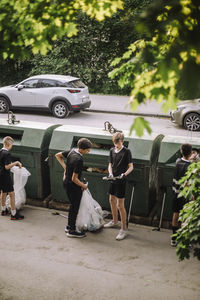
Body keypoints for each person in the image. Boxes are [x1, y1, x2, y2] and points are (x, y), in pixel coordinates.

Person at [55, 138, 92, 238]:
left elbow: (57, 155)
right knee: (74, 207)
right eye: (88, 150)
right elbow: (75, 179)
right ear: (82, 149)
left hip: (66, 183)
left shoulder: (72, 151)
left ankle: (69, 226)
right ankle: (71, 230)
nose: (89, 152)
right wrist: (84, 185)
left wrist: (65, 168)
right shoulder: (79, 159)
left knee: (72, 206)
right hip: (73, 185)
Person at [104, 132, 133, 240]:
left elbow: (131, 167)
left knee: (120, 205)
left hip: (121, 180)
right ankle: (115, 221)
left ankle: (124, 229)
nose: (117, 146)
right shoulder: (112, 150)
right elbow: (110, 164)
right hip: (113, 179)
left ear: (122, 141)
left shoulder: (127, 152)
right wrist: (110, 173)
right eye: (115, 144)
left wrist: (124, 174)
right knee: (111, 199)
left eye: (119, 144)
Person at [171, 143, 192, 246]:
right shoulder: (190, 166)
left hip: (176, 193)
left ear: (181, 151)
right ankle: (184, 240)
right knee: (184, 217)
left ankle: (173, 238)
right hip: (184, 195)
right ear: (191, 152)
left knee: (175, 214)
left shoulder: (177, 161)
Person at [0, 136, 24, 220]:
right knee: (11, 194)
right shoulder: (7, 154)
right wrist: (16, 162)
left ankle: (3, 210)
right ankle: (14, 214)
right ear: (9, 144)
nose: (12, 146)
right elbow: (7, 167)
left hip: (0, 175)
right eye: (12, 145)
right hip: (5, 176)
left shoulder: (1, 151)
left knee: (3, 192)